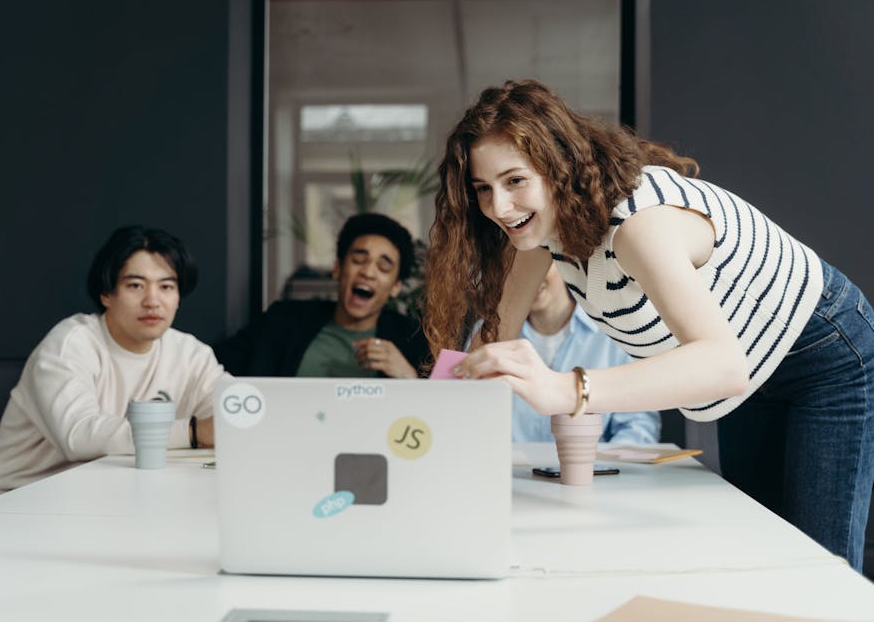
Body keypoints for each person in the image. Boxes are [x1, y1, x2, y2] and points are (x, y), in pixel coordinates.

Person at [423, 79, 874, 572]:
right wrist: (431, 437)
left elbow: (722, 365)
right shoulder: (536, 234)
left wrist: (564, 390)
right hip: (752, 372)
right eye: (483, 189)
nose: (498, 207)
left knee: (820, 571)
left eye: (515, 181)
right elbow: (493, 338)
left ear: (559, 167)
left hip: (823, 355)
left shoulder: (638, 224)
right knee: (764, 557)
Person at [0, 226, 227, 507]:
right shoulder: (70, 344)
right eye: (135, 285)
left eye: (166, 287)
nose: (152, 301)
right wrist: (194, 432)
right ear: (106, 294)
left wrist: (232, 422)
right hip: (9, 505)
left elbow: (233, 413)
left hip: (100, 505)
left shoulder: (191, 354)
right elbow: (78, 437)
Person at [214, 212, 429, 378]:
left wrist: (408, 376)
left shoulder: (412, 340)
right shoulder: (283, 321)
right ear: (338, 268)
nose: (368, 272)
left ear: (395, 287)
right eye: (358, 260)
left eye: (383, 267)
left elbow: (437, 410)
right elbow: (213, 367)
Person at [500, 265, 660, 444]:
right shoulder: (489, 338)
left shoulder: (614, 333)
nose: (529, 276)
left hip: (595, 461)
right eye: (511, 265)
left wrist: (602, 460)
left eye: (535, 261)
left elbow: (639, 426)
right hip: (509, 462)